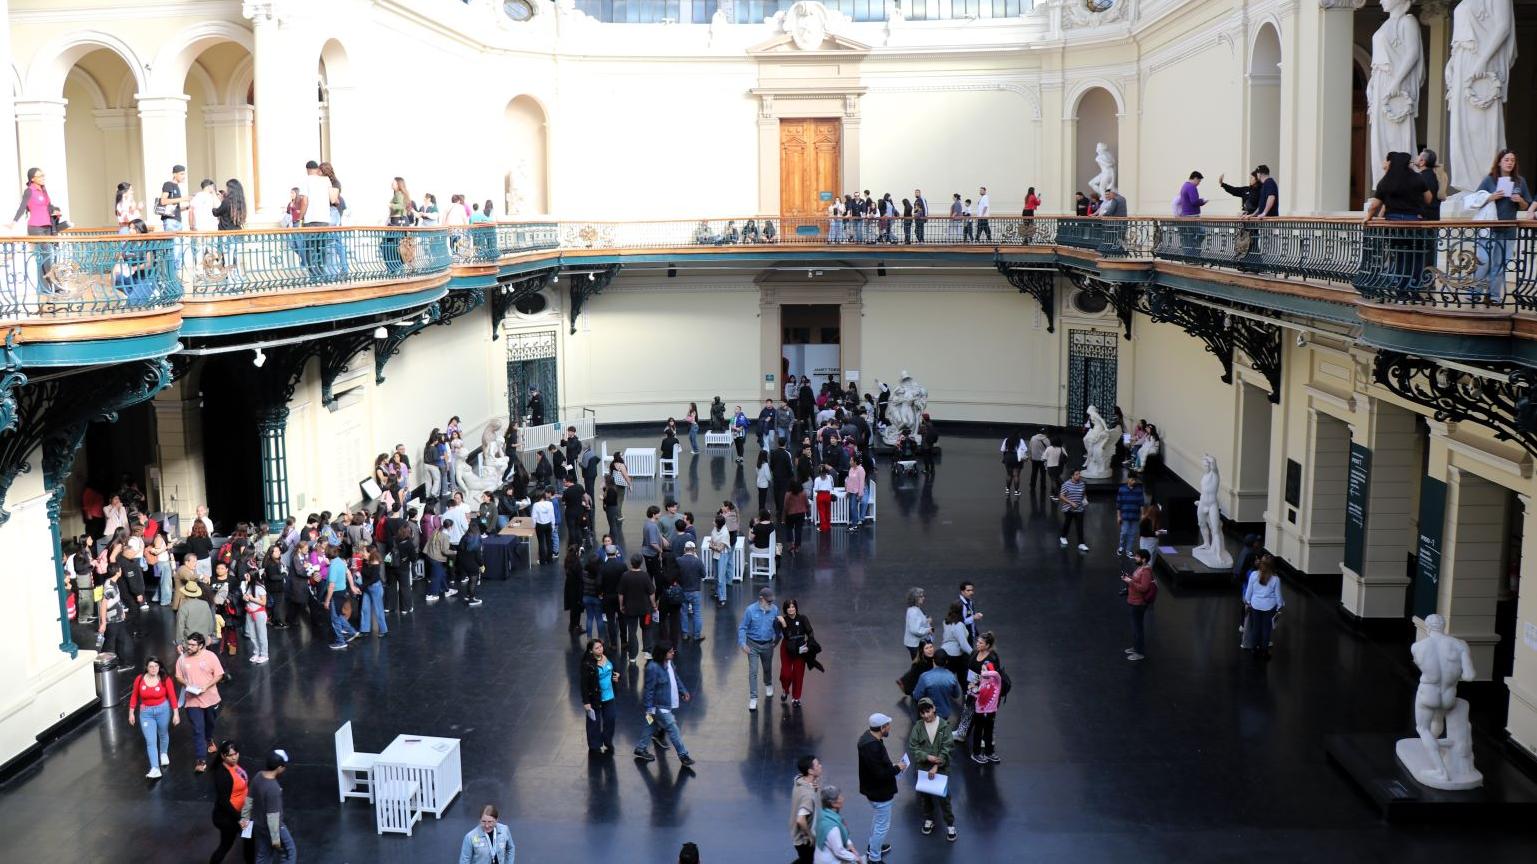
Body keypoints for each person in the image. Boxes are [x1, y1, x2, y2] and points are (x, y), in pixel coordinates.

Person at [1473, 149, 1531, 304]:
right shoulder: (1489, 180)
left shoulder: (1520, 181)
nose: (1510, 162)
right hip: (1488, 228)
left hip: (1509, 229)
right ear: (1499, 162)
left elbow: (1526, 206)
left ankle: (1494, 296)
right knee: (1483, 261)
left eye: (1512, 160)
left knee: (1499, 264)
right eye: (1506, 159)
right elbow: (1476, 199)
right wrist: (1492, 197)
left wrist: (1519, 200)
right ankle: (1474, 293)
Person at [633, 640, 695, 767]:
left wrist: (683, 691)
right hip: (659, 707)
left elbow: (675, 678)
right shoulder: (653, 668)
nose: (673, 653)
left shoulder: (669, 663)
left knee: (650, 725)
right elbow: (648, 689)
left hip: (664, 705)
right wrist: (649, 708)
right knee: (673, 729)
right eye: (670, 651)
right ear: (663, 654)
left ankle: (641, 748)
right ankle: (683, 755)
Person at [857, 713, 905, 863]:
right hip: (880, 793)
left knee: (878, 821)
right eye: (888, 725)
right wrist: (897, 768)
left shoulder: (867, 738)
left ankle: (873, 847)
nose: (889, 727)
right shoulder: (873, 746)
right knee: (881, 827)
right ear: (882, 727)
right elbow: (881, 774)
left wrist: (892, 766)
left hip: (872, 790)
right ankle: (874, 858)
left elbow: (876, 767)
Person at [908, 697, 957, 841]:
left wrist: (936, 765)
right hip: (923, 770)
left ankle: (950, 824)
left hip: (941, 769)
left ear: (934, 708)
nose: (926, 715)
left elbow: (947, 747)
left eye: (928, 711)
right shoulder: (918, 726)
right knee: (925, 797)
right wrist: (927, 757)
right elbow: (913, 747)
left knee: (944, 798)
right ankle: (929, 819)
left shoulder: (944, 726)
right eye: (922, 713)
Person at [175, 632, 226, 772]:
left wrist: (206, 686)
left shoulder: (210, 656)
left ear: (201, 646)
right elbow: (178, 676)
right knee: (198, 729)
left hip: (211, 698)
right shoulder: (182, 659)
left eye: (192, 645)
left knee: (210, 724)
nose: (188, 647)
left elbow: (219, 674)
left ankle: (209, 739)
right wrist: (187, 684)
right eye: (188, 644)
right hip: (192, 700)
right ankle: (201, 760)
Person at [128, 656, 179, 779]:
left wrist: (176, 713)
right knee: (150, 741)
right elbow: (134, 696)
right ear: (146, 667)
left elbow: (172, 696)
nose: (154, 669)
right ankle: (155, 768)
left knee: (163, 733)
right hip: (146, 713)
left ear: (159, 667)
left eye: (156, 666)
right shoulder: (140, 679)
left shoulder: (164, 679)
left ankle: (163, 753)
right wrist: (131, 712)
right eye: (151, 666)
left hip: (163, 710)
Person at [243, 750, 296, 864]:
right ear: (279, 768)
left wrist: (245, 817)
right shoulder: (273, 788)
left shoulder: (258, 776)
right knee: (289, 852)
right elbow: (273, 817)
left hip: (258, 824)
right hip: (273, 828)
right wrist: (276, 839)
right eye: (283, 766)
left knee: (264, 854)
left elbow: (249, 799)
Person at [209, 740, 252, 864]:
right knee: (226, 845)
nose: (234, 757)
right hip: (228, 818)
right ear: (223, 756)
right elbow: (224, 802)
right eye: (230, 755)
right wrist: (240, 819)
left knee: (250, 839)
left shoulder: (235, 766)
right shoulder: (222, 775)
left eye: (235, 754)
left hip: (241, 814)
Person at [740, 586, 780, 711]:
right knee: (753, 671)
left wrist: (777, 639)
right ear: (761, 599)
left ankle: (768, 683)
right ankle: (753, 698)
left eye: (771, 601)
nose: (771, 603)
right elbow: (742, 627)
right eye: (768, 601)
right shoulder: (750, 610)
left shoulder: (774, 609)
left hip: (768, 645)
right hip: (752, 645)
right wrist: (742, 643)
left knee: (767, 668)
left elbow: (777, 627)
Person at [580, 638, 620, 754]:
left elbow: (615, 670)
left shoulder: (608, 656)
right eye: (596, 648)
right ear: (591, 651)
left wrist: (618, 676)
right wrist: (586, 702)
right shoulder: (587, 664)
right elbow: (584, 684)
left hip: (609, 696)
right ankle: (594, 745)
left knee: (610, 719)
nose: (600, 649)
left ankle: (607, 740)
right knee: (594, 722)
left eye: (601, 647)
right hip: (595, 697)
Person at [1242, 553, 1284, 660]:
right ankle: (1264, 651)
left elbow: (1249, 592)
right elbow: (1278, 597)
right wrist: (1280, 607)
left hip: (1255, 605)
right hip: (1269, 607)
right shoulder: (1275, 579)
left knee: (1256, 627)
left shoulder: (1253, 575)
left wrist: (1247, 602)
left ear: (1261, 563)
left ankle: (1254, 649)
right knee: (1266, 629)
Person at [776, 599, 815, 706]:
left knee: (798, 673)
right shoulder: (782, 620)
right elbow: (787, 636)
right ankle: (785, 689)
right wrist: (784, 624)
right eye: (788, 607)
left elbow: (810, 632)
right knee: (786, 673)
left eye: (793, 607)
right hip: (787, 648)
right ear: (785, 609)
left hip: (801, 647)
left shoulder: (803, 618)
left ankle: (796, 698)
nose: (791, 609)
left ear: (796, 608)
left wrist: (809, 645)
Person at [617, 554, 654, 663]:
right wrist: (654, 605)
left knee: (632, 632)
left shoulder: (625, 576)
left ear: (631, 563)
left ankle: (632, 656)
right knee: (647, 629)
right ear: (641, 563)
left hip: (630, 609)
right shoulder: (645, 576)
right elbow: (651, 592)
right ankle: (648, 652)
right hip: (645, 610)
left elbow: (621, 593)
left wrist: (621, 605)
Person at [1121, 548, 1156, 661]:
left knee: (1138, 628)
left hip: (1139, 603)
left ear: (1144, 559)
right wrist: (1129, 578)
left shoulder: (1146, 571)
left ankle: (1139, 652)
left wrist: (1130, 581)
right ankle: (1136, 647)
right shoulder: (1141, 568)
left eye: (1137, 557)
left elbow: (1144, 588)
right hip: (1133, 601)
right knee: (1136, 627)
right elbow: (1137, 582)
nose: (1135, 558)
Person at [788, 754, 824, 863]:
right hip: (804, 840)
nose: (820, 766)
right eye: (817, 765)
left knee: (805, 860)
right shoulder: (808, 795)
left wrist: (813, 788)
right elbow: (800, 820)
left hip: (796, 835)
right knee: (808, 860)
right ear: (810, 771)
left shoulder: (799, 780)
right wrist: (810, 836)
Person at [969, 660, 1004, 764]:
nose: (981, 672)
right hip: (979, 711)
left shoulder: (996, 680)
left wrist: (984, 673)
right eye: (981, 670)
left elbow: (995, 673)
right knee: (978, 732)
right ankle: (976, 753)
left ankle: (989, 753)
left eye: (983, 669)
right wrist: (972, 691)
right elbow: (977, 695)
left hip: (991, 711)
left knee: (989, 732)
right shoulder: (982, 681)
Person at [242, 570, 270, 663]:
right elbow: (247, 597)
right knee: (252, 635)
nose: (246, 576)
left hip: (259, 613)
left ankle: (264, 654)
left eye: (248, 575)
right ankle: (256, 652)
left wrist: (252, 599)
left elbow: (264, 602)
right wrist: (245, 597)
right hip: (250, 612)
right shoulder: (249, 585)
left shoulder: (260, 587)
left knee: (261, 634)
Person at [1058, 468, 1088, 551]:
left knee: (1080, 526)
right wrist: (1071, 503)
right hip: (1069, 509)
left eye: (1079, 474)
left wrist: (1085, 499)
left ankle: (1081, 544)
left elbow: (1084, 493)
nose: (1078, 476)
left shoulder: (1082, 484)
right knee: (1067, 524)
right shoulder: (1066, 484)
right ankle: (1063, 536)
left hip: (1079, 508)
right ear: (1072, 476)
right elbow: (1061, 496)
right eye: (1076, 474)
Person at [1116, 471, 1144, 557]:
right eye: (1132, 480)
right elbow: (1118, 504)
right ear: (1128, 479)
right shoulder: (1122, 489)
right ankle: (1121, 547)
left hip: (1135, 516)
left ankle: (1129, 550)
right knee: (1124, 532)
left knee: (1132, 534)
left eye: (1135, 480)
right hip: (1125, 515)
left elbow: (1141, 503)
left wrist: (1142, 514)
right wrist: (1118, 516)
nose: (1134, 482)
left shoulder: (1139, 490)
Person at [903, 587, 932, 660]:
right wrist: (928, 630)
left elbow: (917, 622)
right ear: (915, 598)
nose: (923, 598)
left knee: (918, 665)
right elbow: (915, 630)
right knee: (919, 666)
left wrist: (926, 621)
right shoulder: (914, 611)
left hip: (915, 643)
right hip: (915, 644)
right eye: (921, 596)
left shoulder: (915, 609)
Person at [1000, 432, 1026, 497]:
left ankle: (1007, 490)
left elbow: (1002, 449)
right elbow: (1025, 449)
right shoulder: (1021, 440)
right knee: (1016, 475)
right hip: (1017, 457)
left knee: (1009, 474)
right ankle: (1016, 491)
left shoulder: (1006, 440)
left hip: (1008, 457)